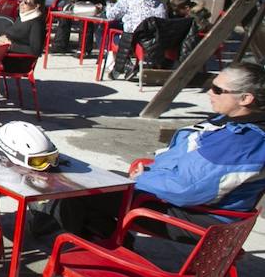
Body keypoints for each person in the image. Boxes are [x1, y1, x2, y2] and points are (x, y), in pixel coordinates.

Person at [50, 62, 265, 242]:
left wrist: (142, 179)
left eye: (218, 89)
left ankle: (103, 251)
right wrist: (152, 170)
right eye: (211, 85)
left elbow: (187, 189)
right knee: (94, 180)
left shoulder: (244, 141)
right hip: (184, 201)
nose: (210, 92)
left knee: (77, 192)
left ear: (245, 99)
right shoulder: (230, 124)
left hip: (200, 218)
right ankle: (105, 239)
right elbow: (184, 161)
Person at [104, 0, 167, 80]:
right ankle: (127, 66)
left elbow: (111, 16)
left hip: (134, 38)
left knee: (113, 35)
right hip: (155, 38)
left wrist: (109, 4)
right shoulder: (160, 3)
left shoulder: (128, 0)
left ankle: (126, 66)